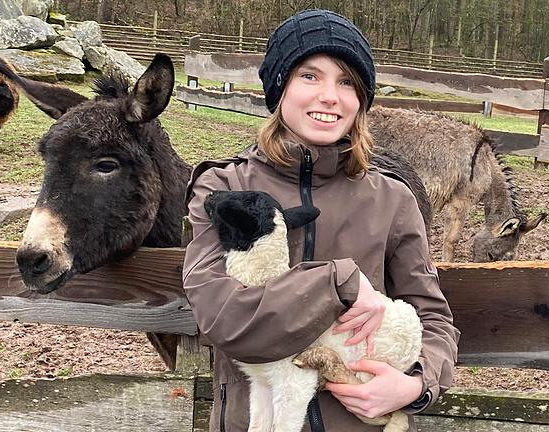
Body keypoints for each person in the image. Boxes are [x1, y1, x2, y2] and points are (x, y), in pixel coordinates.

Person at [182, 8, 459, 432]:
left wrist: (414, 385)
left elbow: (433, 318)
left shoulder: (393, 200)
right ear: (280, 87)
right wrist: (339, 281)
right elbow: (221, 315)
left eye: (347, 82)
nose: (330, 96)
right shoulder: (223, 189)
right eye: (309, 76)